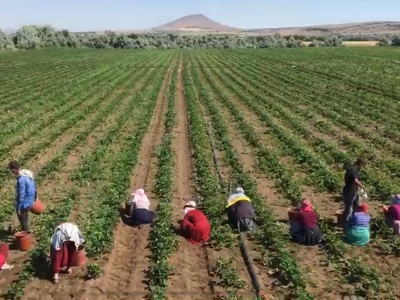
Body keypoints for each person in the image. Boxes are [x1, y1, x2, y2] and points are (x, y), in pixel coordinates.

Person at [8, 161, 37, 232]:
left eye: (12, 171)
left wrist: (20, 207)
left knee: (21, 214)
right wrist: (35, 197)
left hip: (26, 202)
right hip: (31, 198)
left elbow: (21, 194)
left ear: (14, 170)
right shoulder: (27, 174)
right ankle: (26, 227)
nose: (12, 172)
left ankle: (26, 232)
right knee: (24, 214)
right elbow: (34, 186)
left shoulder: (21, 179)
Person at [342, 158, 366, 225]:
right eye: (362, 165)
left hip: (353, 190)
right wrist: (362, 186)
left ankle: (353, 221)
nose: (362, 167)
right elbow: (355, 181)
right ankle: (346, 224)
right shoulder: (354, 169)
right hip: (350, 191)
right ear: (360, 164)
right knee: (349, 209)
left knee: (355, 206)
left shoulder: (352, 168)